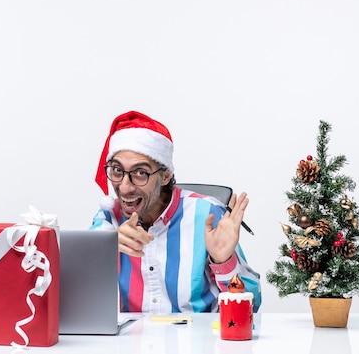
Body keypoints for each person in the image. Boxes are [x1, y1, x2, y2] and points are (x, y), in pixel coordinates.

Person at [90, 110, 261, 314]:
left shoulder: (208, 214)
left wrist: (223, 262)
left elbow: (253, 306)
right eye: (117, 170)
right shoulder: (108, 219)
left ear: (165, 176)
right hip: (128, 343)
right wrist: (103, 250)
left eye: (140, 173)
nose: (125, 187)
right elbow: (77, 293)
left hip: (199, 342)